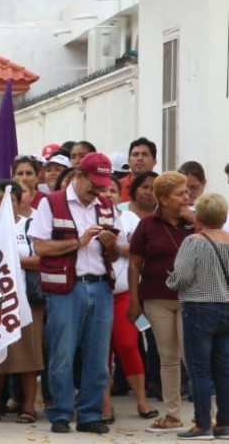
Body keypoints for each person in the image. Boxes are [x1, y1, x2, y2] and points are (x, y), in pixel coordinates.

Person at [28, 152, 121, 435]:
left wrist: (109, 245)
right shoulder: (51, 203)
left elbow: (117, 254)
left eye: (104, 184)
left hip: (101, 285)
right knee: (62, 354)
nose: (100, 190)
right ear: (78, 175)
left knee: (98, 356)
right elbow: (41, 247)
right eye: (95, 183)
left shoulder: (106, 206)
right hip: (66, 289)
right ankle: (60, 412)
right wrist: (77, 243)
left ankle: (90, 414)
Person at [127, 170, 194, 433]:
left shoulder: (195, 222)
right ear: (164, 199)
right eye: (180, 193)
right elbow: (134, 264)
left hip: (191, 298)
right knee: (168, 357)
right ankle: (173, 415)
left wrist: (196, 223)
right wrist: (134, 300)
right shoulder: (147, 225)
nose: (187, 197)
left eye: (187, 191)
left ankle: (209, 415)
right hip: (156, 298)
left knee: (192, 357)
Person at [166, 193, 229, 440]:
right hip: (227, 308)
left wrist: (170, 282)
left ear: (200, 216)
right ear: (224, 216)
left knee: (199, 370)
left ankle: (202, 424)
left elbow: (181, 277)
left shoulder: (194, 241)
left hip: (200, 308)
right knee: (224, 370)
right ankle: (224, 423)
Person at [99, 175, 157, 423]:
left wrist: (116, 245)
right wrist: (126, 246)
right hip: (98, 294)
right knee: (101, 352)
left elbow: (138, 251)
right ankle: (104, 404)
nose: (109, 195)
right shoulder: (89, 218)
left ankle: (142, 401)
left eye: (113, 190)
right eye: (103, 190)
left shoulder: (130, 218)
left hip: (123, 294)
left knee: (127, 345)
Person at [0, 180, 43, 425]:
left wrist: (13, 260)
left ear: (20, 203)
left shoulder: (31, 225)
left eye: (10, 201)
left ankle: (28, 406)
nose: (5, 205)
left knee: (29, 353)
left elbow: (42, 259)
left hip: (26, 298)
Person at [120, 138, 158, 202]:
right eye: (135, 154)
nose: (140, 158)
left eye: (145, 154)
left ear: (154, 161)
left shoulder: (161, 188)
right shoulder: (117, 187)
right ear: (128, 161)